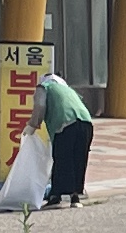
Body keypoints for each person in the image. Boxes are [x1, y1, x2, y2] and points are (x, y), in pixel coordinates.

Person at [31, 70, 97, 206]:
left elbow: (40, 106)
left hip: (66, 124)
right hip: (86, 123)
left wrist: (33, 124)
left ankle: (58, 196)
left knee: (63, 160)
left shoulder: (44, 87)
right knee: (78, 159)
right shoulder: (68, 90)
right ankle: (73, 196)